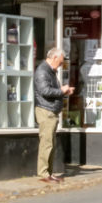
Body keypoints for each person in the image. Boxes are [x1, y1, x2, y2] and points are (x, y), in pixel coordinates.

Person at [34, 46, 74, 182]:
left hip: (51, 110)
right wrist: (62, 91)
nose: (61, 65)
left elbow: (51, 90)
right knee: (47, 143)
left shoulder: (50, 71)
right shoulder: (42, 71)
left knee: (51, 143)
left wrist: (64, 91)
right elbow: (45, 91)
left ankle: (49, 173)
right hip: (46, 111)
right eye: (61, 62)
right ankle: (43, 173)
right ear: (54, 57)